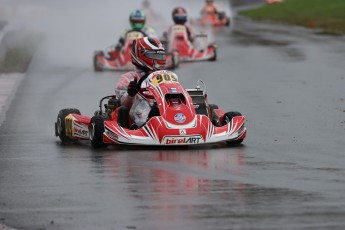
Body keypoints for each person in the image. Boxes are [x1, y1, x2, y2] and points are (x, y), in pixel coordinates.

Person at [115, 37, 166, 129]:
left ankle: (181, 122)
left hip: (162, 109)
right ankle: (150, 124)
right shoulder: (127, 78)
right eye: (154, 56)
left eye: (160, 56)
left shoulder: (165, 76)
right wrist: (131, 94)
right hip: (137, 117)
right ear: (140, 55)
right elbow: (124, 103)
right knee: (141, 103)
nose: (158, 59)